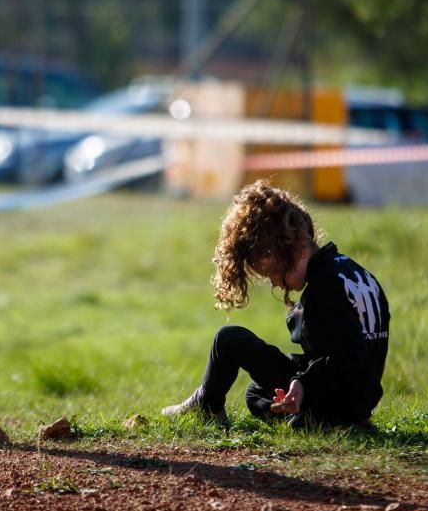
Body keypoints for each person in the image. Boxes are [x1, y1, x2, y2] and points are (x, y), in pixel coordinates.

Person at [162, 179, 390, 428]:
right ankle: (312, 419)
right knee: (255, 394)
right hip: (359, 402)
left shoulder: (324, 288)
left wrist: (304, 384)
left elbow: (349, 356)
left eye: (272, 272)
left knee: (228, 339)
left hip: (337, 400)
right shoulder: (351, 271)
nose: (275, 284)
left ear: (290, 249)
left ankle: (206, 405)